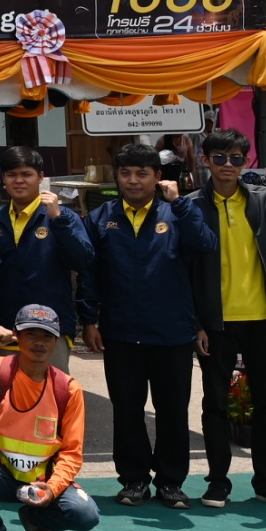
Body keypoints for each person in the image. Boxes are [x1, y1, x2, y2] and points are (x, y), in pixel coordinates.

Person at [78, 144, 215, 507]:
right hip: (120, 331)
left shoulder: (179, 211)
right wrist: (89, 319)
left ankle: (171, 481)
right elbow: (89, 272)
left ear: (158, 177)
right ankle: (134, 479)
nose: (133, 181)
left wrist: (180, 204)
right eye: (125, 173)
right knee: (127, 410)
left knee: (172, 411)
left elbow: (204, 246)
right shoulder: (101, 217)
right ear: (116, 177)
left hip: (172, 331)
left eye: (142, 173)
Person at [192, 127, 266, 510]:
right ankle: (218, 482)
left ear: (246, 162)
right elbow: (183, 268)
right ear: (205, 160)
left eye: (236, 158)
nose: (228, 165)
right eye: (219, 158)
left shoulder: (264, 199)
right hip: (216, 323)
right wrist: (196, 323)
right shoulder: (192, 205)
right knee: (215, 404)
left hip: (262, 319)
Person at [0, 305, 99, 531]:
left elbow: (71, 452)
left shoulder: (68, 389)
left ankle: (35, 519)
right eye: (31, 334)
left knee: (86, 514)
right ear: (17, 336)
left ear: (56, 341)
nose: (39, 342)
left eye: (47, 336)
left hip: (42, 482)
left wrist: (52, 490)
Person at [0, 145, 95, 368]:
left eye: (26, 174)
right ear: (3, 179)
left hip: (50, 331)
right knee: (4, 389)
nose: (19, 181)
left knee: (51, 389)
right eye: (11, 175)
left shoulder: (63, 216)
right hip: (4, 330)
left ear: (41, 177)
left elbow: (83, 260)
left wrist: (58, 220)